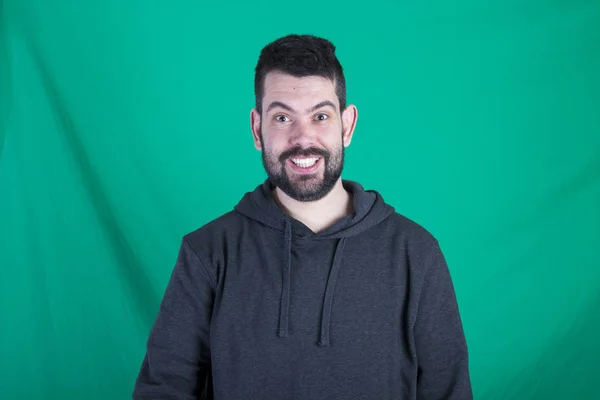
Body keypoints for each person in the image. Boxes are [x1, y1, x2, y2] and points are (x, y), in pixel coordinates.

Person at [132, 34, 472, 400]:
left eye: (320, 116)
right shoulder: (208, 252)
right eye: (282, 117)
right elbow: (164, 390)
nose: (303, 138)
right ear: (256, 129)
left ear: (347, 125)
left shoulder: (415, 254)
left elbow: (448, 392)